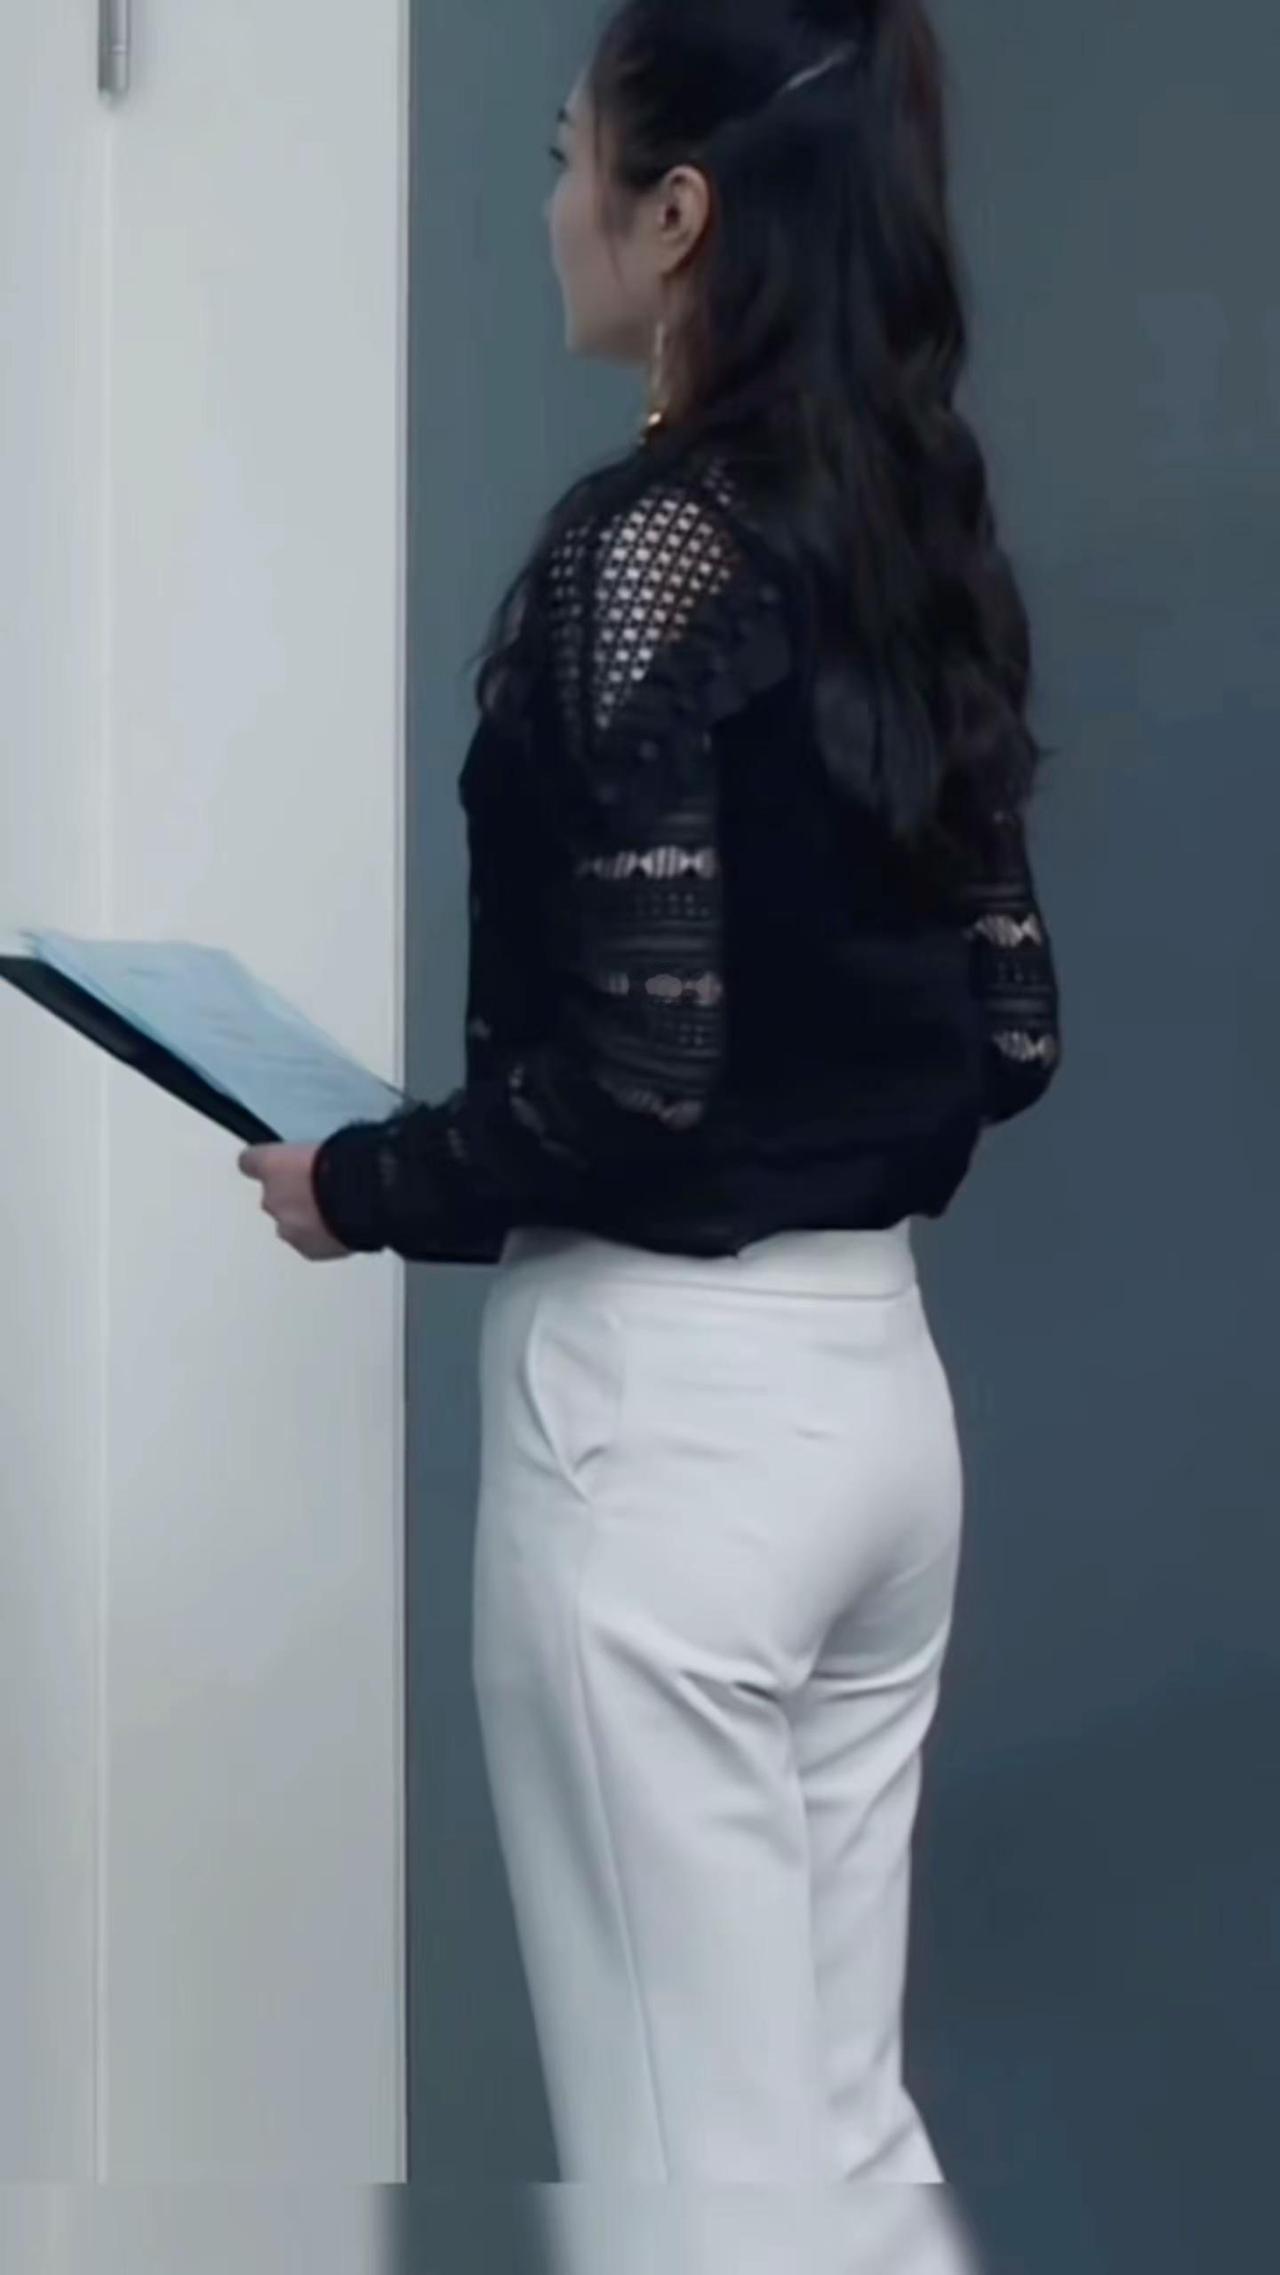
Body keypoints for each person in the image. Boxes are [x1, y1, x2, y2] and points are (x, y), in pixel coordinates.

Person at [240, 0, 1061, 2207]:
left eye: (567, 157)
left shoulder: (649, 551)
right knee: (833, 2154)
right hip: (878, 1408)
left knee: (692, 2184)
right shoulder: (917, 535)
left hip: (663, 1429)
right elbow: (1010, 1032)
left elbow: (636, 1073)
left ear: (676, 213)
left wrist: (360, 1180)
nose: (551, 208)